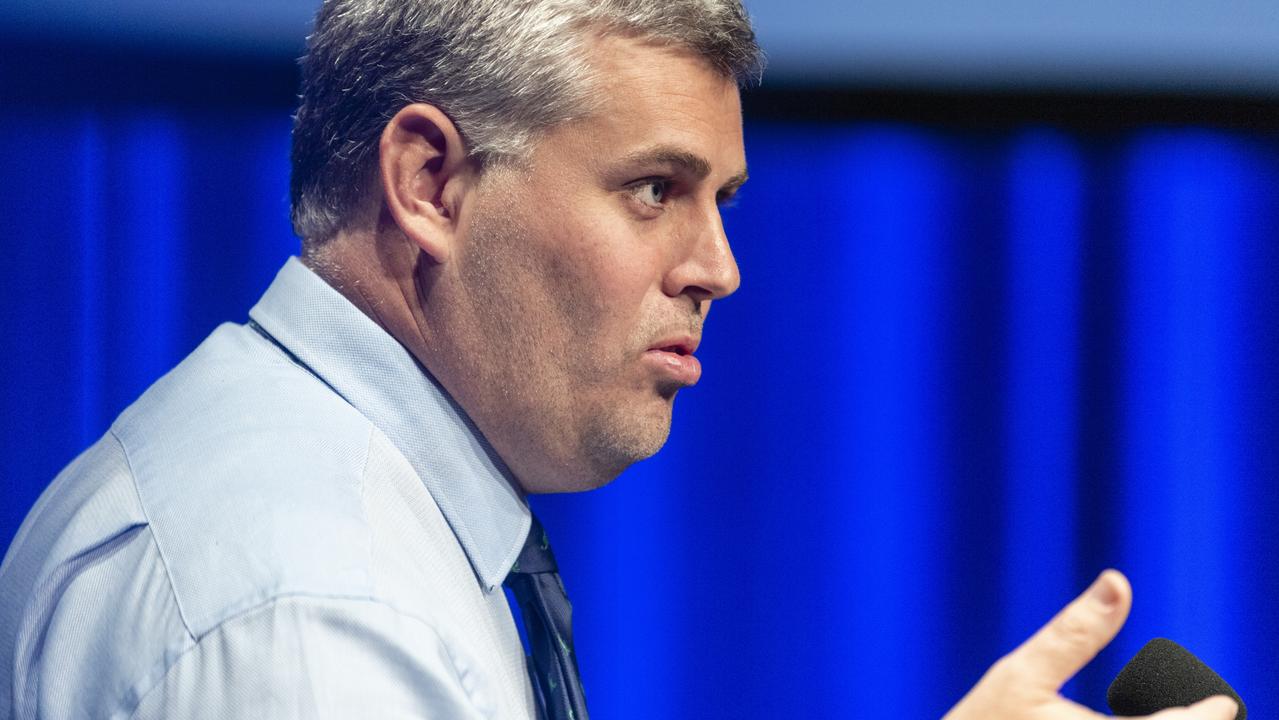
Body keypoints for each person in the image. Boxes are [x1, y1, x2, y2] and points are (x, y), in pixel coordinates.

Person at [0, 1, 1240, 719]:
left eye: (724, 200)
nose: (718, 267)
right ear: (429, 182)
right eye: (655, 190)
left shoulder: (339, 509)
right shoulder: (315, 606)